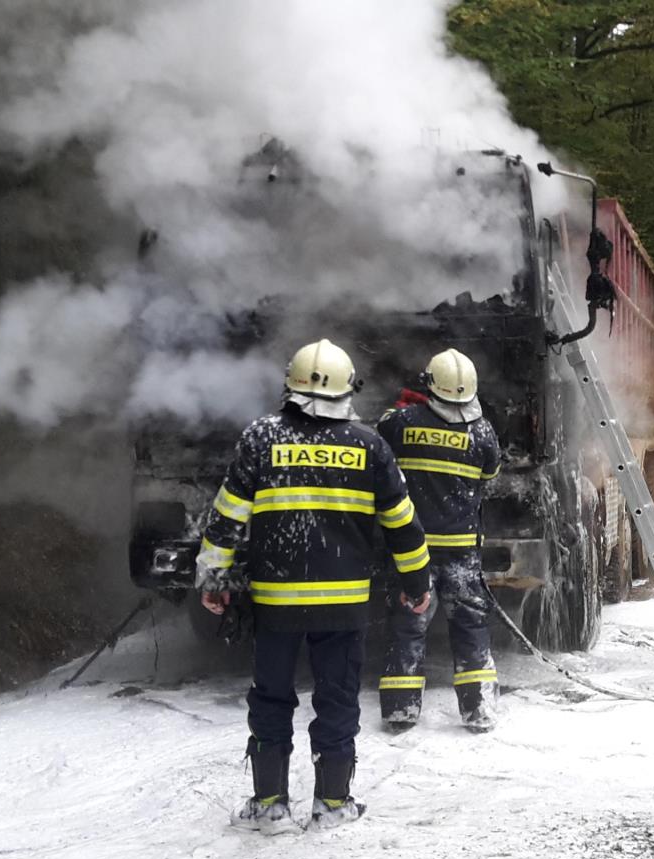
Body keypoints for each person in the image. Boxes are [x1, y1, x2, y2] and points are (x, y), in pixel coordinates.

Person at [196, 338, 432, 834]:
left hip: (275, 603)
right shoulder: (369, 445)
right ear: (348, 389)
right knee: (338, 700)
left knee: (271, 699)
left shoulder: (261, 438)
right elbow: (402, 524)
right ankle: (333, 803)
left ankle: (269, 806)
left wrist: (215, 579)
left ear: (290, 385)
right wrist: (417, 584)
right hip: (344, 605)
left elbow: (227, 518)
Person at [375, 349, 504, 732]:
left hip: (412, 550)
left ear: (429, 384)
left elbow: (380, 435)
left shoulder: (400, 422)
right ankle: (478, 711)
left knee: (407, 623)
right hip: (461, 549)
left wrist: (408, 408)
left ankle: (400, 710)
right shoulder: (482, 431)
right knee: (470, 625)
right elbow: (491, 474)